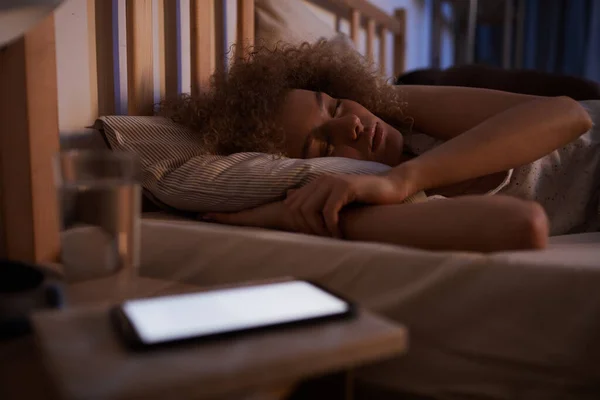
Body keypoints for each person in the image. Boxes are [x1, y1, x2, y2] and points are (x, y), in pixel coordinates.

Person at [160, 40, 598, 252]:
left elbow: (570, 114)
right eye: (319, 146)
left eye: (332, 106)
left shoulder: (396, 113)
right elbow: (525, 226)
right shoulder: (382, 205)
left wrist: (401, 174)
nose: (352, 125)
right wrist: (293, 217)